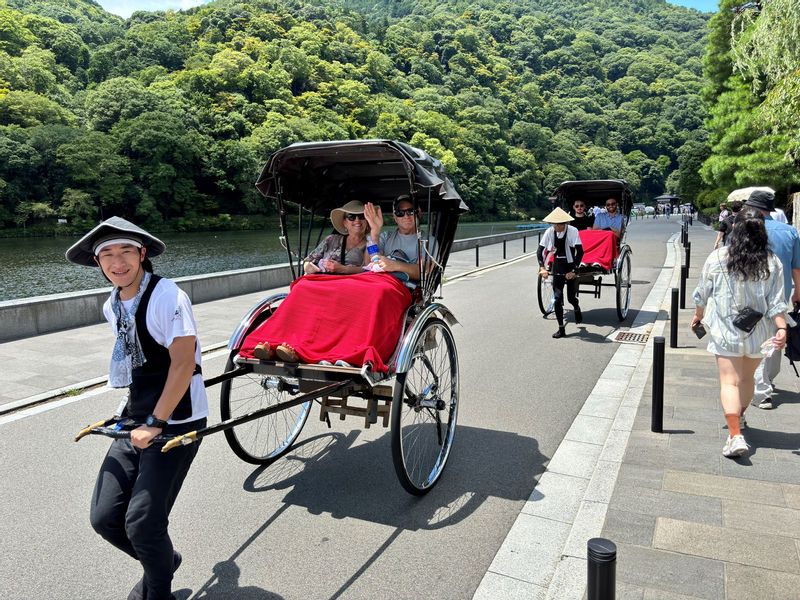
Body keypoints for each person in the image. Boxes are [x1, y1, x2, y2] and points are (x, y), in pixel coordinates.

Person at [66, 217, 208, 600]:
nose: (117, 262)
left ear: (142, 254)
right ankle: (164, 561)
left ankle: (158, 591)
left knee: (143, 524)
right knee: (105, 518)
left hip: (177, 420)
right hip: (136, 416)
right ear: (98, 263)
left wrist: (157, 422)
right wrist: (130, 413)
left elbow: (183, 365)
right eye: (107, 255)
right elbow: (135, 365)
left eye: (126, 251)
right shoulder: (112, 305)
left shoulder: (168, 297)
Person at [692, 207, 788, 458]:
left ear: (735, 229)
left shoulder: (718, 258)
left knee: (729, 381)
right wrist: (781, 327)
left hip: (726, 330)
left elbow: (702, 293)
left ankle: (735, 435)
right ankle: (740, 418)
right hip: (759, 331)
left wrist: (698, 316)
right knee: (747, 380)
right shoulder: (772, 261)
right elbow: (778, 302)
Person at [743, 187, 800, 409]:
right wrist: (797, 292)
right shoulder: (790, 231)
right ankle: (767, 379)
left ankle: (761, 391)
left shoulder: (745, 229)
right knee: (776, 338)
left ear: (753, 209)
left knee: (757, 341)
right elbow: (797, 269)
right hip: (781, 295)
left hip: (750, 295)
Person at [538, 207, 584, 338]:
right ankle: (561, 329)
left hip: (570, 266)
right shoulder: (549, 232)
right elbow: (539, 251)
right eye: (555, 224)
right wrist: (542, 267)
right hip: (557, 267)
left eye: (560, 224)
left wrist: (574, 270)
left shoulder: (572, 231)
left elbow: (580, 251)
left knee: (570, 298)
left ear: (565, 223)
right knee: (557, 299)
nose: (557, 226)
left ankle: (576, 307)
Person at [364, 195, 430, 282]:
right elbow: (369, 263)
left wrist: (394, 265)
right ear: (394, 217)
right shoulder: (386, 237)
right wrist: (375, 232)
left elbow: (424, 272)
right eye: (400, 213)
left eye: (411, 211)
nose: (406, 216)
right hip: (381, 283)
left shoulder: (427, 241)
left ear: (419, 212)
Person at [303, 200, 368, 275]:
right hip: (323, 282)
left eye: (361, 216)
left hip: (353, 285)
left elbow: (371, 270)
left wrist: (343, 269)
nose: (357, 220)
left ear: (367, 221)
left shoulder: (372, 243)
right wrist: (312, 268)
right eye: (351, 217)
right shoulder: (331, 239)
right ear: (345, 223)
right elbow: (308, 261)